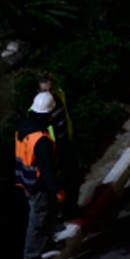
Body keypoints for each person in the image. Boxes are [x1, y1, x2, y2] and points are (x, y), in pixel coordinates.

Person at [14, 91, 65, 259]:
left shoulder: (24, 126)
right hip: (38, 185)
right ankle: (31, 258)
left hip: (26, 179)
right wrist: (57, 189)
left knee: (46, 215)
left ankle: (47, 245)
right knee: (38, 220)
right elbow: (46, 169)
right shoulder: (41, 140)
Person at [37, 75, 79, 219]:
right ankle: (64, 212)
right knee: (61, 182)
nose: (49, 94)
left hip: (66, 141)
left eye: (51, 89)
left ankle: (72, 208)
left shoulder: (60, 95)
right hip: (54, 150)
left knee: (73, 177)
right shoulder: (39, 108)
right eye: (45, 91)